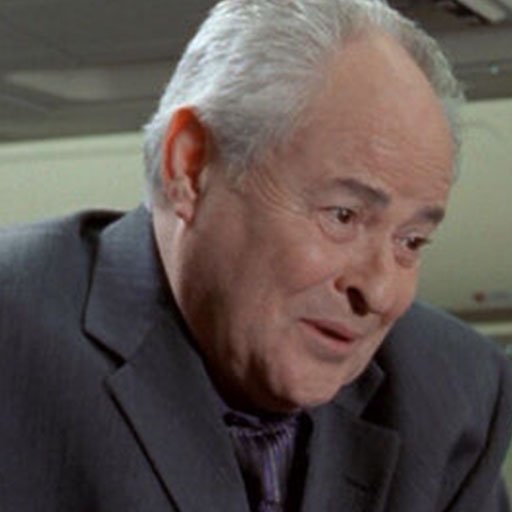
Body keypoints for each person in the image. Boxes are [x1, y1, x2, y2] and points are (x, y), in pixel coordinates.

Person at [1, 0, 511, 510]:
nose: (379, 292)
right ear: (191, 168)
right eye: (343, 216)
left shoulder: (457, 394)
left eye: (412, 242)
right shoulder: (14, 336)